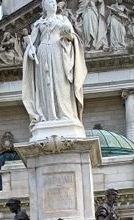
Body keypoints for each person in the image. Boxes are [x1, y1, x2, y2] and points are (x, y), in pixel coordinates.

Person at [22, 0, 87, 128]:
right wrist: (31, 52)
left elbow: (72, 37)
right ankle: (47, 115)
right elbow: (33, 43)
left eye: (54, 2)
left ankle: (65, 114)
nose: (52, 3)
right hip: (43, 53)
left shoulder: (63, 20)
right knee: (46, 84)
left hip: (59, 53)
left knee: (61, 82)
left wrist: (67, 34)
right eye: (49, 1)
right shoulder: (38, 24)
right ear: (44, 6)